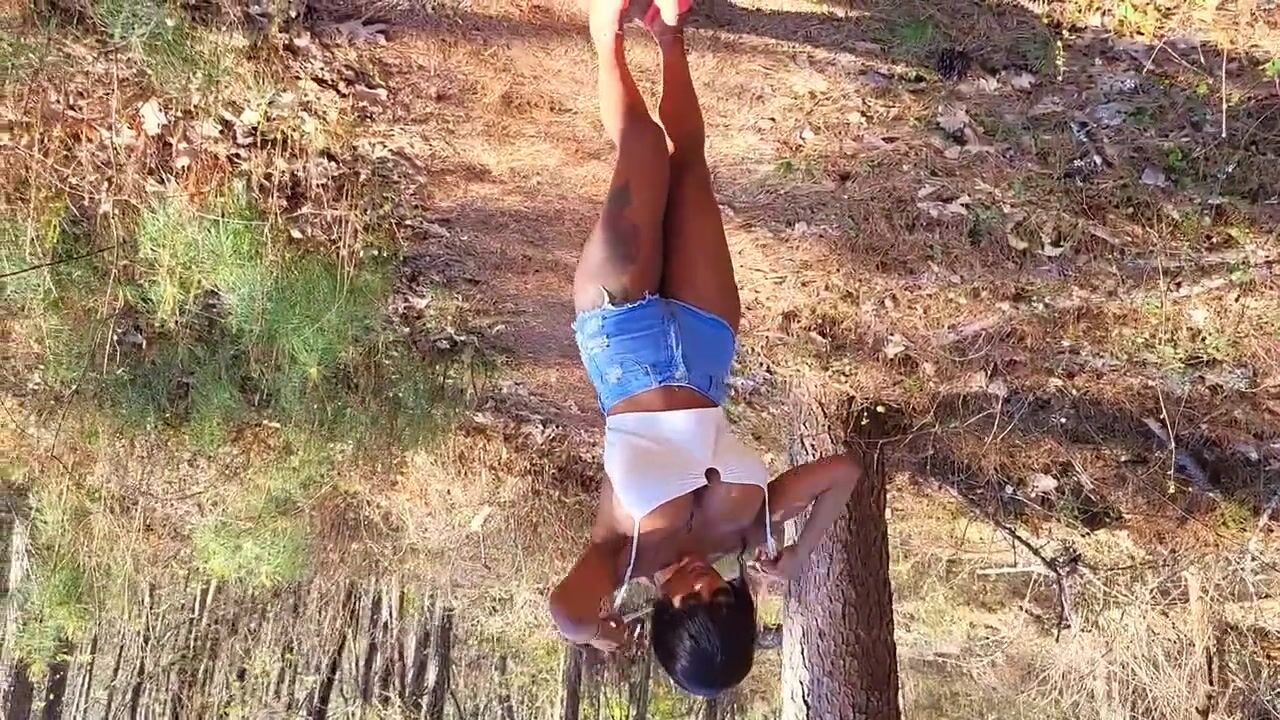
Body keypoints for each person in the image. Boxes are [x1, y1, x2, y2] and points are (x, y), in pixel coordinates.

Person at [549, 0, 865, 698]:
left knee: (642, 149)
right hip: (705, 339)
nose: (699, 584)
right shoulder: (751, 532)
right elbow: (842, 473)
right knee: (689, 167)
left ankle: (604, 36)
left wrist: (593, 634)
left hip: (621, 338)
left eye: (688, 603)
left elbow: (566, 612)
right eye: (719, 598)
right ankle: (668, 33)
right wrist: (798, 558)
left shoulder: (622, 558)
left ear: (663, 616)